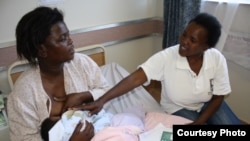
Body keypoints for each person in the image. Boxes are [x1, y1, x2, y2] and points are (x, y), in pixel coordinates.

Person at [77, 13, 242, 125]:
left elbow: (219, 96)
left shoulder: (216, 58)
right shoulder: (167, 57)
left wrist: (199, 123)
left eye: (192, 40)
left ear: (206, 46)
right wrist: (101, 101)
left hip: (207, 104)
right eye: (184, 34)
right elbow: (135, 78)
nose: (184, 41)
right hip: (178, 107)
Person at [7, 6, 111, 141]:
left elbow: (107, 93)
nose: (71, 41)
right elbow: (23, 138)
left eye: (68, 35)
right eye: (63, 39)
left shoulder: (82, 63)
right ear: (42, 50)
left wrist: (84, 96)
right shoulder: (24, 92)